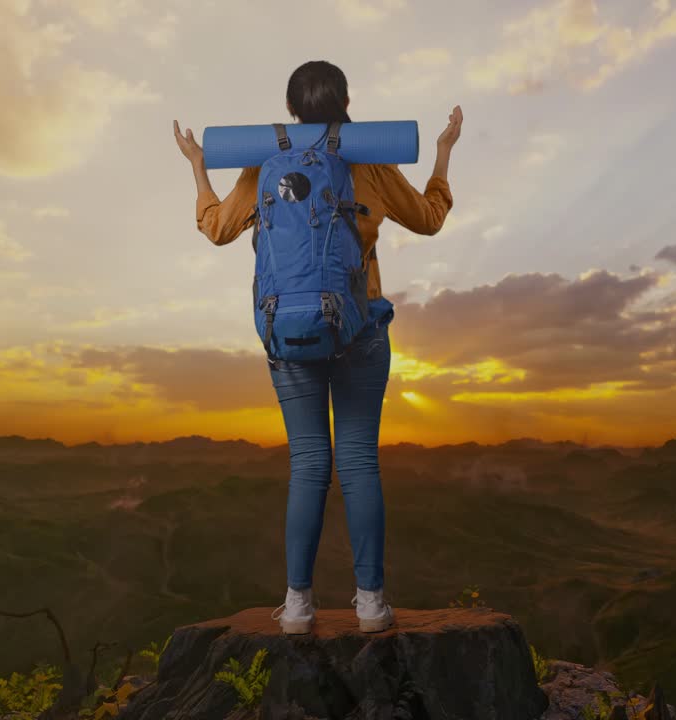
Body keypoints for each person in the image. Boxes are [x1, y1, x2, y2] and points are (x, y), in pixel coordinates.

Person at [173, 59, 463, 634]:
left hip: (288, 332)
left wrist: (198, 167)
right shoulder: (370, 160)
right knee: (359, 463)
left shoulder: (265, 161)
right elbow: (430, 219)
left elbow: (218, 228)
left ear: (290, 110)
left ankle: (298, 606)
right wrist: (443, 153)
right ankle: (371, 603)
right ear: (346, 104)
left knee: (308, 466)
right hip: (361, 329)